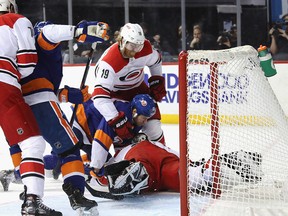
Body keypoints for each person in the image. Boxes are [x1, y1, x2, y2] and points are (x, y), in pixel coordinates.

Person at [7, 19, 109, 214]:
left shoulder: (16, 50)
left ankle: (30, 194)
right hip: (40, 103)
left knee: (31, 149)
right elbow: (48, 32)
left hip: (17, 104)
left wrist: (68, 95)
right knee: (69, 148)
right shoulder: (39, 39)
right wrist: (80, 30)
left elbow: (42, 85)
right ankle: (76, 193)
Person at [0, 1, 62, 215]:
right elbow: (27, 64)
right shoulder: (16, 20)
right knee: (33, 144)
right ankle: (32, 201)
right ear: (10, 7)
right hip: (4, 85)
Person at [91, 22, 167, 171]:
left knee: (154, 127)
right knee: (117, 133)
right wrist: (115, 119)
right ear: (122, 41)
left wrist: (157, 79)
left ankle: (163, 161)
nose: (135, 51)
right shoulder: (108, 63)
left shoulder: (144, 48)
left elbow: (156, 60)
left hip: (139, 90)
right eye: (132, 46)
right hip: (116, 96)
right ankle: (97, 167)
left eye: (138, 46)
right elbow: (99, 97)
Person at [92, 135, 264, 196]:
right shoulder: (153, 143)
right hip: (157, 157)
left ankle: (140, 176)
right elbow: (178, 158)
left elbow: (98, 179)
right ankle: (235, 160)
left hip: (135, 158)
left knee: (187, 176)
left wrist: (96, 176)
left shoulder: (121, 151)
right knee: (192, 175)